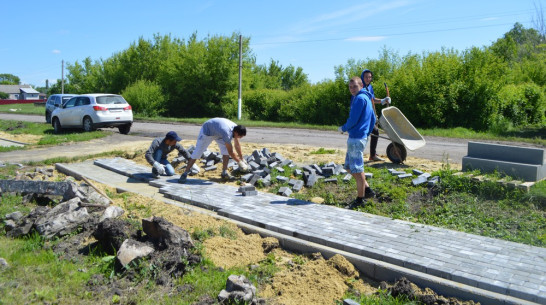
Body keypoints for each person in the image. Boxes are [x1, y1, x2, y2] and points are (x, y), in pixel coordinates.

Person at [338, 77, 377, 209]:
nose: (352, 89)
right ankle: (368, 190)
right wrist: (367, 133)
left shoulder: (359, 99)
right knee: (348, 166)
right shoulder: (367, 98)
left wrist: (343, 128)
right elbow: (373, 119)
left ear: (361, 85)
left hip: (356, 138)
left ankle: (360, 200)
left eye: (354, 86)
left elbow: (353, 119)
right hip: (359, 137)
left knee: (358, 169)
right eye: (350, 87)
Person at [178, 118, 249, 183]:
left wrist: (242, 158)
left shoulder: (236, 128)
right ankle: (185, 173)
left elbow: (237, 144)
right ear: (236, 133)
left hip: (219, 133)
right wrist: (240, 162)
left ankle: (224, 173)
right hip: (207, 132)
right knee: (197, 152)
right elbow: (231, 151)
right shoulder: (227, 133)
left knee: (226, 152)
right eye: (240, 136)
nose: (240, 138)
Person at [360, 69, 391, 161]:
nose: (368, 79)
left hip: (371, 113)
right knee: (369, 133)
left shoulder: (369, 87)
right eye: (366, 77)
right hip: (363, 115)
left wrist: (383, 100)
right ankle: (365, 156)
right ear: (362, 77)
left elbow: (372, 99)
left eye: (370, 77)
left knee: (374, 132)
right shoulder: (360, 88)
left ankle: (372, 155)